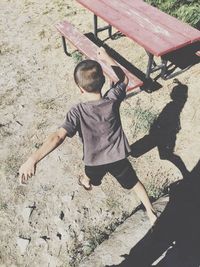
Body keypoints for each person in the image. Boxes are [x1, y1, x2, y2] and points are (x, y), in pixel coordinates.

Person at [19, 47, 157, 225]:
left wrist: (33, 159)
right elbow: (123, 78)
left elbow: (58, 137)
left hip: (94, 161)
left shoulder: (77, 112)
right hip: (118, 158)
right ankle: (151, 212)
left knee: (90, 177)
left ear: (80, 88)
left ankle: (86, 182)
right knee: (134, 183)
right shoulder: (112, 99)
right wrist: (107, 58)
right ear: (104, 81)